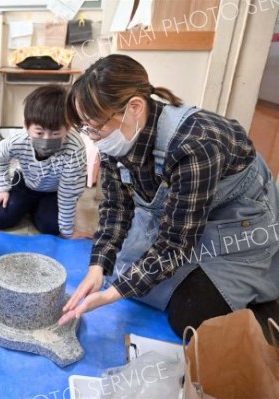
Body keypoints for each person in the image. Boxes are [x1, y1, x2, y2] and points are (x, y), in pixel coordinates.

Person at [58, 54, 279, 336]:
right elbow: (115, 208)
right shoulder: (115, 138)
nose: (92, 137)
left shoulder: (196, 143)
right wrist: (98, 265)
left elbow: (176, 243)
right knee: (119, 271)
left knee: (190, 316)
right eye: (86, 128)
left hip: (235, 222)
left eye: (95, 127)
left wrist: (112, 295)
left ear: (134, 107)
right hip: (182, 217)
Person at [0, 85, 88, 239]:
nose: (46, 139)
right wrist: (2, 188)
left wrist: (68, 232)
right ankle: (30, 206)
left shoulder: (74, 148)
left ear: (67, 128)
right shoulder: (19, 140)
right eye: (39, 132)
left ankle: (36, 208)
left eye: (55, 133)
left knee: (52, 227)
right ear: (27, 126)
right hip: (25, 184)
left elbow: (69, 190)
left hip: (54, 191)